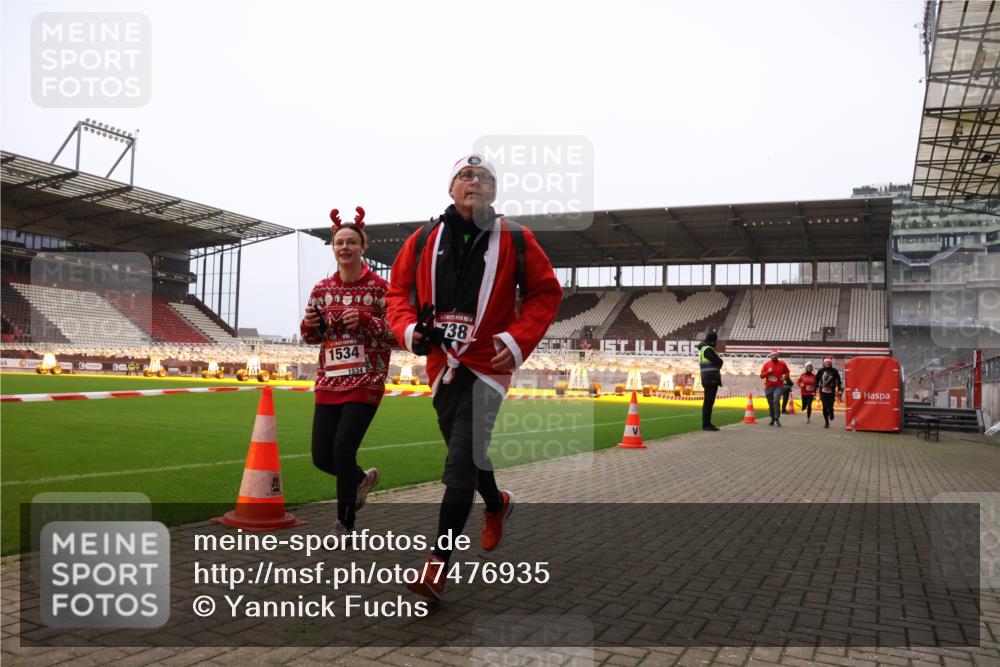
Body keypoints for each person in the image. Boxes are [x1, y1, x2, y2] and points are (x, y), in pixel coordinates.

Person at [386, 153, 562, 600]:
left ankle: (436, 565)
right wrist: (409, 331)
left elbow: (546, 292)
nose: (475, 182)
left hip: (488, 367)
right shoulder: (424, 238)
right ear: (451, 188)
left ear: (494, 191)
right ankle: (496, 502)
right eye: (466, 175)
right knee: (468, 454)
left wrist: (519, 339)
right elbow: (396, 291)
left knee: (460, 464)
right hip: (440, 367)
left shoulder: (517, 239)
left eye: (484, 177)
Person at [301, 207, 391, 534]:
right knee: (321, 457)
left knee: (342, 451)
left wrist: (368, 322)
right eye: (339, 242)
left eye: (351, 241)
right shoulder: (321, 290)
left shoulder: (382, 289)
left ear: (362, 247)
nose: (345, 247)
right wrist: (308, 325)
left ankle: (345, 524)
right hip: (329, 381)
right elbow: (312, 337)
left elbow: (401, 335)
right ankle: (362, 480)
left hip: (366, 380)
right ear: (333, 247)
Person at [697, 331, 723, 431]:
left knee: (708, 402)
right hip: (711, 379)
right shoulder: (708, 349)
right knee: (708, 403)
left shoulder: (703, 349)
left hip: (707, 378)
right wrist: (720, 362)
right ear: (713, 340)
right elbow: (718, 362)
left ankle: (706, 424)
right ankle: (706, 424)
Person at [759, 350, 790, 427]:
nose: (774, 356)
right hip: (769, 387)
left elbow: (787, 372)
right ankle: (772, 418)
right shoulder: (767, 364)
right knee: (771, 405)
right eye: (773, 355)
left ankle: (777, 419)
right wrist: (768, 372)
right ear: (770, 356)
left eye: (776, 355)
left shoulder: (782, 364)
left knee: (776, 400)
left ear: (778, 356)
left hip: (778, 386)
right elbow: (761, 375)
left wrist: (784, 377)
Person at [814, 357, 843, 428]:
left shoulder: (834, 371)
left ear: (831, 363)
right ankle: (826, 422)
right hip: (823, 391)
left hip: (831, 391)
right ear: (824, 363)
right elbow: (817, 379)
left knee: (830, 405)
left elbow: (839, 380)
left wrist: (839, 388)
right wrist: (815, 388)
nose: (827, 364)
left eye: (828, 363)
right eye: (826, 363)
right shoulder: (821, 370)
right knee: (825, 406)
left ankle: (831, 412)